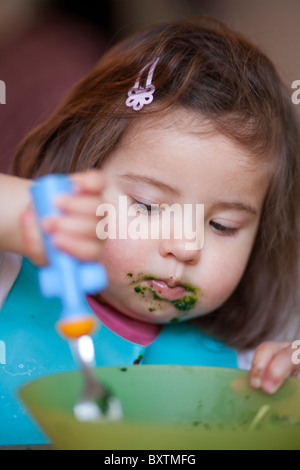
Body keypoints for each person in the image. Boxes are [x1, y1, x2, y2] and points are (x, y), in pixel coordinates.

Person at [1, 16, 300, 445]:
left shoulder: (244, 369)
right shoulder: (10, 277)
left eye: (222, 225)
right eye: (148, 206)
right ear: (78, 176)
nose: (185, 245)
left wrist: (284, 395)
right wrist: (21, 213)